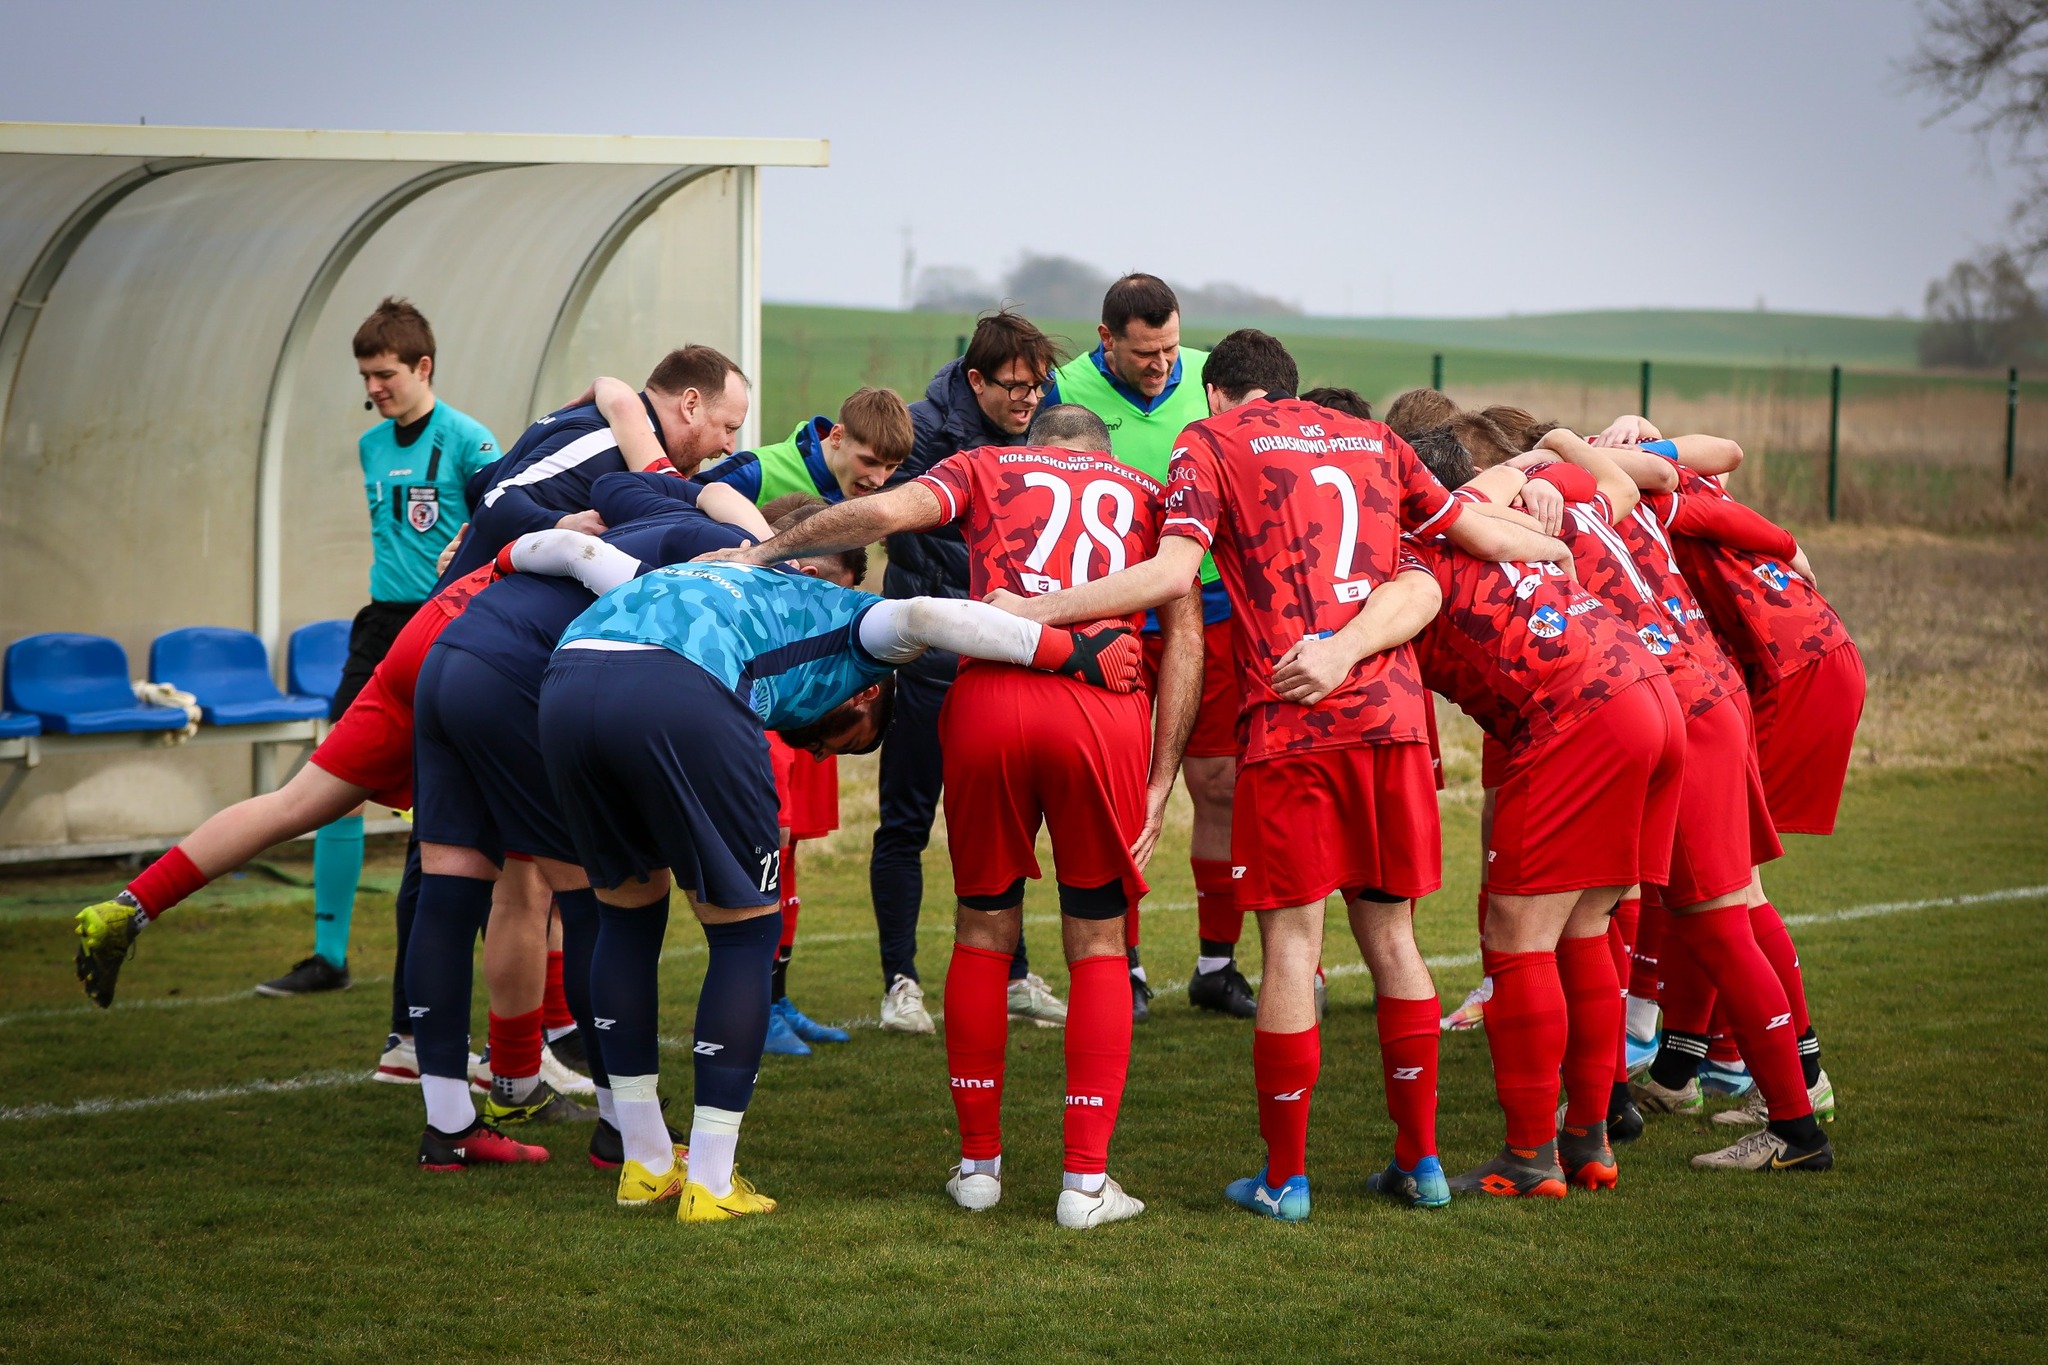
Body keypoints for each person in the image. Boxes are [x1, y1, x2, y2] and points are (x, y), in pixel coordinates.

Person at [987, 330, 1574, 1220]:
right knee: (1394, 942)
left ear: (1218, 395)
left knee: (1293, 948)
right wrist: (1546, 541)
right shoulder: (1372, 439)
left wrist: (1034, 610)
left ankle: (1286, 1179)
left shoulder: (1211, 441)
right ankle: (1419, 1164)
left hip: (1294, 720)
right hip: (1392, 719)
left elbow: (1173, 571)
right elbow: (1461, 527)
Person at [527, 549, 1147, 1221]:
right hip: (682, 684)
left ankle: (645, 1163)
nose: (821, 751)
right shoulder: (861, 630)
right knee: (747, 932)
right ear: (867, 694)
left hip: (566, 677)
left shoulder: (726, 577)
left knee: (624, 916)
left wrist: (508, 550)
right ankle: (709, 1178)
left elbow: (582, 554)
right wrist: (1069, 653)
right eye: (849, 740)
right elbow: (928, 613)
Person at [711, 403, 1204, 1226]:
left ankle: (978, 1168)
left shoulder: (988, 465)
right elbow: (1185, 636)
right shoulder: (1151, 493)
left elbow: (880, 510)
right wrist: (1163, 776)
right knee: (1098, 940)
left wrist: (766, 547)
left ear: (1035, 448)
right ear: (1100, 452)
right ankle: (1085, 1183)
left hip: (990, 697)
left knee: (982, 928)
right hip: (1103, 702)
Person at [404, 478, 826, 1177]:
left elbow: (611, 487)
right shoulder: (723, 555)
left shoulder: (656, 505)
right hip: (519, 672)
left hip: (450, 653)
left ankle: (447, 1123)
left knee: (449, 890)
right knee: (603, 897)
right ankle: (621, 1128)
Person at [1516, 426, 1835, 1173]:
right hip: (1710, 687)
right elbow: (1666, 468)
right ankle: (1648, 1089)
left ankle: (1794, 1123)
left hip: (1677, 702)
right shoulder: (1609, 486)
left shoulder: (1546, 499)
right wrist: (1566, 441)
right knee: (1733, 905)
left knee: (1716, 920)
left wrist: (1536, 460)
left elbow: (1703, 458)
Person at [1401, 426, 1683, 1195]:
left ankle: (1530, 1155)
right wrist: (1535, 458)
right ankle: (1588, 1139)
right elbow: (1504, 484)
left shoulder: (1412, 549)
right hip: (1649, 693)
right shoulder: (1474, 506)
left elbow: (1397, 613)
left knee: (1515, 937)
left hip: (1579, 714)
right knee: (1585, 927)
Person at [255, 299, 500, 999]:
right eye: (365, 375)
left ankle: (461, 961)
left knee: (440, 795)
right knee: (335, 779)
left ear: (423, 366)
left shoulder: (468, 440)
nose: (373, 388)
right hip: (378, 628)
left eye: (385, 373)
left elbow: (506, 522)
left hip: (446, 626)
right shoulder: (370, 446)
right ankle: (329, 955)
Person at [694, 389, 914, 1055]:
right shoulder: (759, 473)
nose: (876, 482)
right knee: (767, 839)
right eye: (869, 463)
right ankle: (754, 1003)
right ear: (837, 436)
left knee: (789, 846)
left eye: (889, 472)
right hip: (747, 688)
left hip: (803, 693)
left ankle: (777, 997)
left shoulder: (869, 505)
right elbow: (686, 504)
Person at [1044, 275, 1241, 1018]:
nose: (1162, 364)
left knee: (1218, 783)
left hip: (1211, 607)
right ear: (1106, 341)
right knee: (1119, 789)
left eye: (1168, 349)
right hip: (1111, 617)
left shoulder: (1210, 377)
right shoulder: (1063, 390)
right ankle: (1119, 963)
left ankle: (1217, 962)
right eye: (1144, 352)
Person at [870, 310, 1066, 1035]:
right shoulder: (921, 433)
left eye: (1038, 386)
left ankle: (1013, 975)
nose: (1028, 400)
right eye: (1015, 387)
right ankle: (901, 983)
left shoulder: (1046, 426)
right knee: (907, 819)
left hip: (1006, 655)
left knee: (1001, 826)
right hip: (929, 656)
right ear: (976, 378)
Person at [439, 345, 750, 582]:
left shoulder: (606, 425)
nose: (728, 446)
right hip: (467, 628)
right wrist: (559, 524)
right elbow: (495, 499)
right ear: (690, 404)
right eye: (728, 428)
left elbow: (480, 482)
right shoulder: (604, 441)